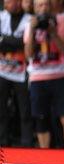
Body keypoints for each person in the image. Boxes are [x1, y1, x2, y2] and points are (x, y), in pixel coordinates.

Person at [24, 0, 64, 149]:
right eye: (40, 5)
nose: (44, 8)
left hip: (58, 75)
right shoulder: (30, 24)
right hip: (38, 77)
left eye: (46, 4)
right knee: (41, 119)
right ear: (34, 7)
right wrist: (33, 30)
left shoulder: (61, 20)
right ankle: (44, 155)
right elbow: (28, 54)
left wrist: (53, 32)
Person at [0, 0, 33, 147]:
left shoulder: (28, 20)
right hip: (2, 71)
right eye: (7, 2)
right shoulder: (2, 17)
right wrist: (16, 43)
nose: (9, 5)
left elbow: (27, 44)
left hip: (21, 73)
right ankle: (3, 141)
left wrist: (6, 41)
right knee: (1, 109)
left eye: (12, 1)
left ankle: (26, 142)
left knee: (25, 110)